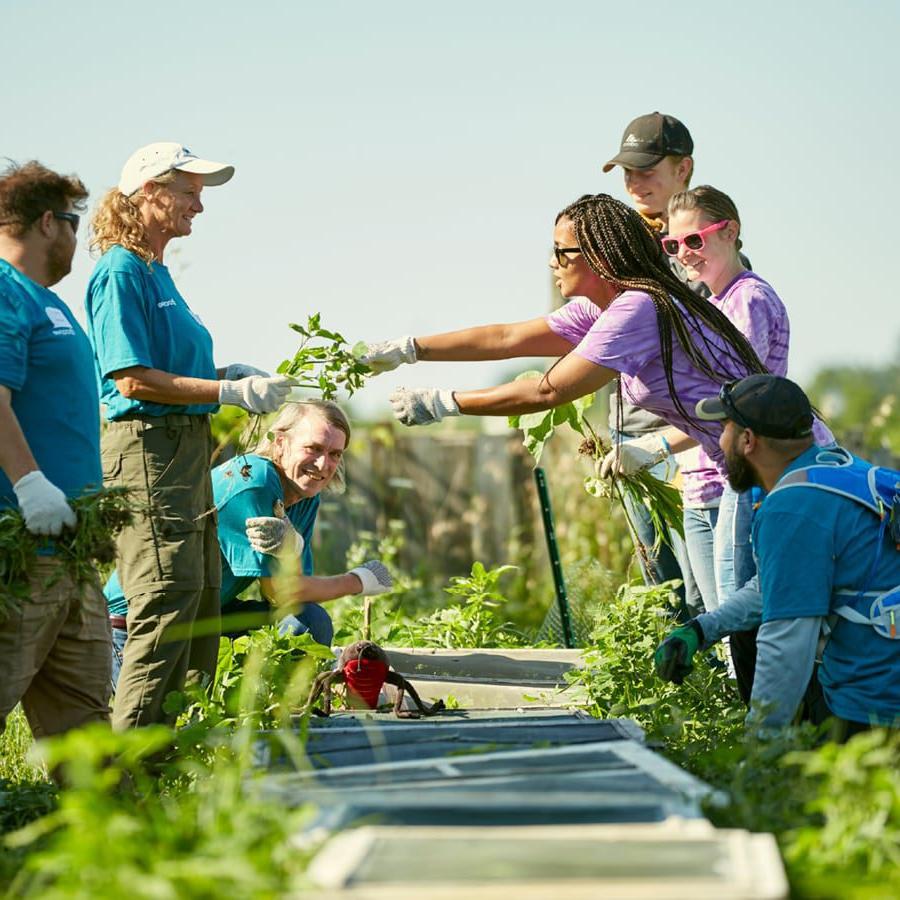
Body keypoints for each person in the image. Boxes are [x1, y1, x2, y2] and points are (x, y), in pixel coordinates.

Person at [360, 193, 771, 513]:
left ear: (599, 259)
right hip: (746, 467)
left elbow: (548, 392)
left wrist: (443, 404)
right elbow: (507, 339)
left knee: (748, 613)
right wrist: (409, 349)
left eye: (562, 251)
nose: (552, 263)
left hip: (770, 466)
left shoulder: (637, 308)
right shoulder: (604, 307)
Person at [85, 142, 294, 729]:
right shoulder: (120, 270)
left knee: (200, 598)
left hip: (184, 448)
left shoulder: (157, 271)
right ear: (149, 192)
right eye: (188, 193)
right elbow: (130, 378)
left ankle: (181, 759)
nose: (198, 207)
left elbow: (168, 365)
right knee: (167, 599)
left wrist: (227, 375)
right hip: (148, 451)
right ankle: (127, 771)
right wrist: (224, 394)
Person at [657, 375, 900, 739]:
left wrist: (758, 752)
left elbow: (787, 643)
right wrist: (703, 628)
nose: (717, 443)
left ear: (748, 440)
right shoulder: (835, 470)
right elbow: (777, 581)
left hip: (871, 708)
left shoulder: (791, 508)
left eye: (723, 428)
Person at [105, 401, 393, 687]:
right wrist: (357, 581)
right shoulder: (253, 479)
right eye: (314, 448)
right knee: (161, 723)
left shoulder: (306, 497)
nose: (323, 464)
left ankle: (273, 708)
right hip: (140, 621)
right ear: (280, 442)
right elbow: (282, 592)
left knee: (309, 621)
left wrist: (294, 547)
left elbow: (295, 588)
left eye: (334, 454)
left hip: (203, 615)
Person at [0, 161, 111, 738]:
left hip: (69, 551)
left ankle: (110, 829)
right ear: (48, 223)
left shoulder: (48, 302)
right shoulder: (3, 289)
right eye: (73, 222)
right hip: (20, 551)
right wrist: (29, 484)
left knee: (87, 734)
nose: (76, 238)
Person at [600, 111, 697, 615]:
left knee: (700, 587)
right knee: (661, 586)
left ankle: (721, 691)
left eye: (647, 168)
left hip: (683, 439)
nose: (636, 182)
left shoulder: (701, 243)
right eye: (628, 172)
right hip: (627, 436)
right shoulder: (617, 241)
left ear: (684, 169)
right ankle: (684, 691)